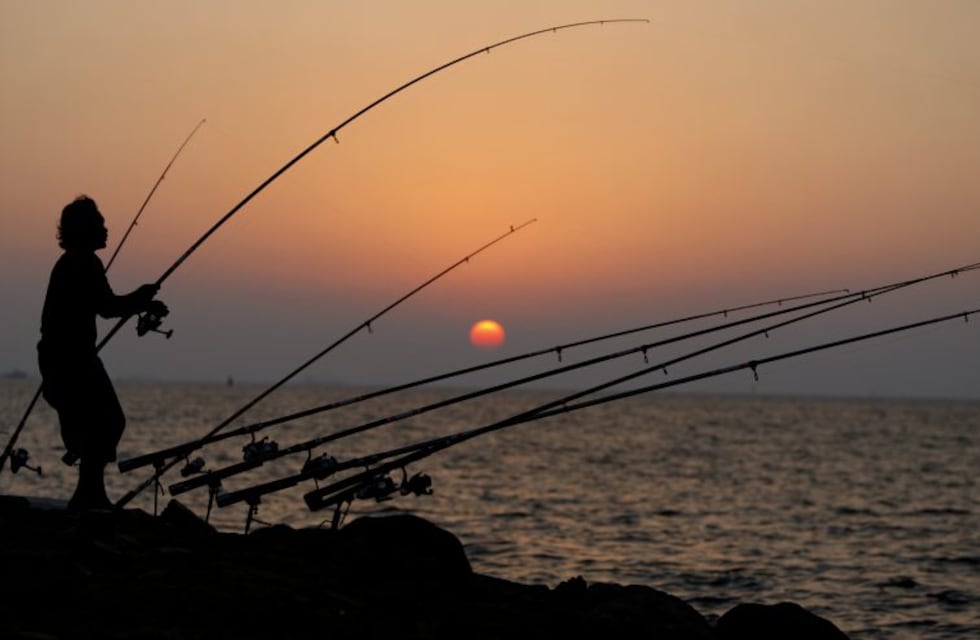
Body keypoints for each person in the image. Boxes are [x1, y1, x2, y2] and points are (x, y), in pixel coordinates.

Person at [37, 195, 168, 511]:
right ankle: (89, 496)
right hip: (71, 360)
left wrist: (141, 301)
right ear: (86, 229)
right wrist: (140, 297)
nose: (107, 228)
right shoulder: (84, 263)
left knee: (98, 424)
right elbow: (108, 307)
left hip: (62, 359)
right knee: (109, 421)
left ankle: (89, 496)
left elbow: (105, 304)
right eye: (100, 223)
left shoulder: (72, 262)